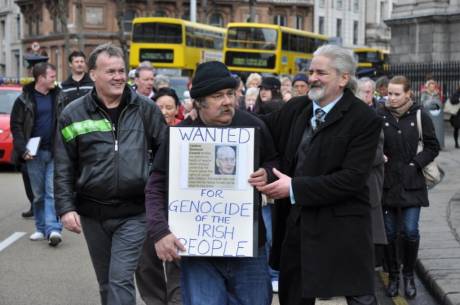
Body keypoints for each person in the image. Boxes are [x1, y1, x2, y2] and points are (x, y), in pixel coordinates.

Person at [145, 61, 278, 305]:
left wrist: (267, 173)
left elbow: (276, 163)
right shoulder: (181, 135)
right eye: (218, 96)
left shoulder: (254, 126)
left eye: (230, 93)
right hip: (198, 252)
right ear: (199, 103)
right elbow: (156, 185)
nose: (227, 101)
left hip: (249, 248)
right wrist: (160, 231)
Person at [258, 44, 382, 305]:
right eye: (311, 71)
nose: (312, 77)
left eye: (321, 73)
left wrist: (294, 189)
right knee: (293, 298)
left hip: (342, 229)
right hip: (297, 226)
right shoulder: (296, 109)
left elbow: (352, 179)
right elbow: (261, 134)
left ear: (344, 78)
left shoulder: (364, 119)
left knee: (360, 298)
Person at [54, 43, 166, 305]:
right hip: (93, 214)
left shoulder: (146, 110)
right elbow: (63, 164)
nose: (118, 77)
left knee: (119, 280)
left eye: (122, 70)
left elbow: (165, 156)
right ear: (93, 74)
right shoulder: (73, 114)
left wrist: (158, 196)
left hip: (135, 213)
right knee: (106, 284)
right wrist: (65, 207)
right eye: (111, 71)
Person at [377, 76, 440, 299]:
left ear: (408, 94)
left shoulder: (420, 114)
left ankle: (409, 276)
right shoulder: (379, 114)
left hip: (412, 182)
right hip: (386, 184)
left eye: (396, 94)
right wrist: (378, 156)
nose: (391, 98)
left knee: (410, 231)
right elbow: (369, 142)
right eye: (389, 94)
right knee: (391, 233)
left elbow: (433, 146)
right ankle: (393, 275)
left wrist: (415, 164)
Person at [10, 62, 63, 245]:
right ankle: (40, 228)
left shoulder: (58, 96)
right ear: (41, 78)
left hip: (55, 152)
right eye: (51, 77)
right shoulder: (23, 99)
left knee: (51, 192)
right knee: (38, 194)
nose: (54, 80)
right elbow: (16, 126)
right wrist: (22, 149)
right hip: (33, 154)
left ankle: (53, 229)